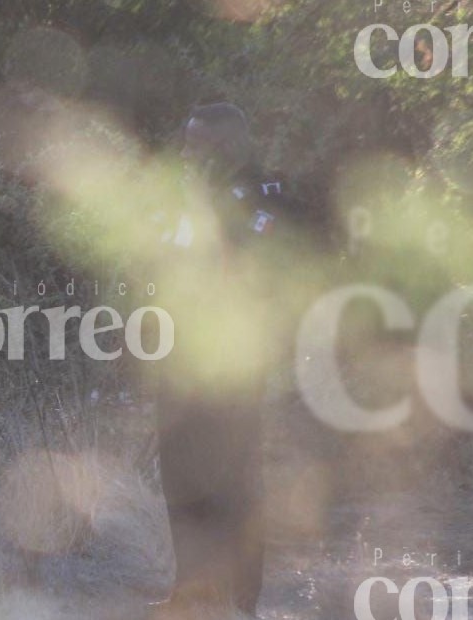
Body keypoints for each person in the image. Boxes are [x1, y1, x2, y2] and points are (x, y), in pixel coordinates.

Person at [150, 102, 306, 619]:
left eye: (197, 145)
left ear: (225, 147)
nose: (188, 154)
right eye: (187, 143)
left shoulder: (265, 196)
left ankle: (241, 599)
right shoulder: (186, 197)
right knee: (180, 475)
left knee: (233, 480)